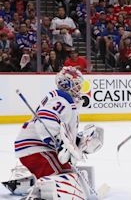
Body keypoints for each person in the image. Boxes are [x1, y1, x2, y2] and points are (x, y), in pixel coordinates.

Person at [12, 67, 103, 199]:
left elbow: (62, 130)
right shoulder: (62, 98)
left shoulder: (66, 100)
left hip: (40, 148)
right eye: (77, 85)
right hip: (36, 148)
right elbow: (46, 120)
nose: (79, 89)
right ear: (67, 85)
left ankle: (33, 182)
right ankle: (38, 194)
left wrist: (78, 141)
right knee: (64, 178)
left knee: (69, 175)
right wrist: (58, 142)